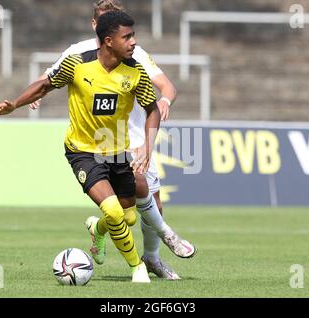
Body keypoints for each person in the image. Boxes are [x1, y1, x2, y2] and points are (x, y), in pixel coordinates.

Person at [29, 0, 196, 280]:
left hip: (134, 137)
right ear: (97, 26)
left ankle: (150, 256)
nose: (125, 36)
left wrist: (165, 99)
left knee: (150, 200)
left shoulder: (136, 52)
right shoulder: (77, 53)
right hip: (100, 143)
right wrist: (36, 96)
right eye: (107, 21)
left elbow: (165, 85)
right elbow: (47, 77)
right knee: (125, 208)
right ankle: (163, 239)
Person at [0, 11, 160, 283]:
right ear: (108, 41)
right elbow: (45, 84)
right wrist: (15, 104)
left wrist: (148, 148)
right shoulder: (77, 65)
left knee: (126, 218)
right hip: (82, 152)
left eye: (133, 35)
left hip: (117, 153)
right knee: (115, 211)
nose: (133, 42)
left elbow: (153, 110)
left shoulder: (135, 71)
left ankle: (97, 228)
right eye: (126, 36)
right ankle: (136, 267)